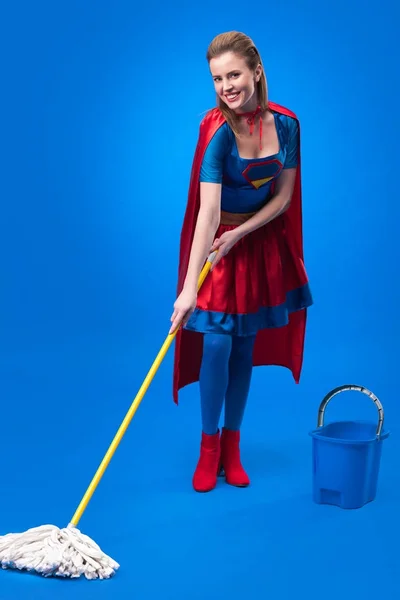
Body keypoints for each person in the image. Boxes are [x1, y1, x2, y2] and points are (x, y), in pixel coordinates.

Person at [169, 31, 313, 493]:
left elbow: (285, 196)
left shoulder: (287, 126)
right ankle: (208, 448)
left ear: (256, 71)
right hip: (216, 246)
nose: (226, 86)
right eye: (217, 78)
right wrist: (189, 288)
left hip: (255, 244)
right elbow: (207, 213)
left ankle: (232, 447)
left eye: (233, 74)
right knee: (216, 344)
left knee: (245, 347)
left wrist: (243, 234)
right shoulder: (216, 130)